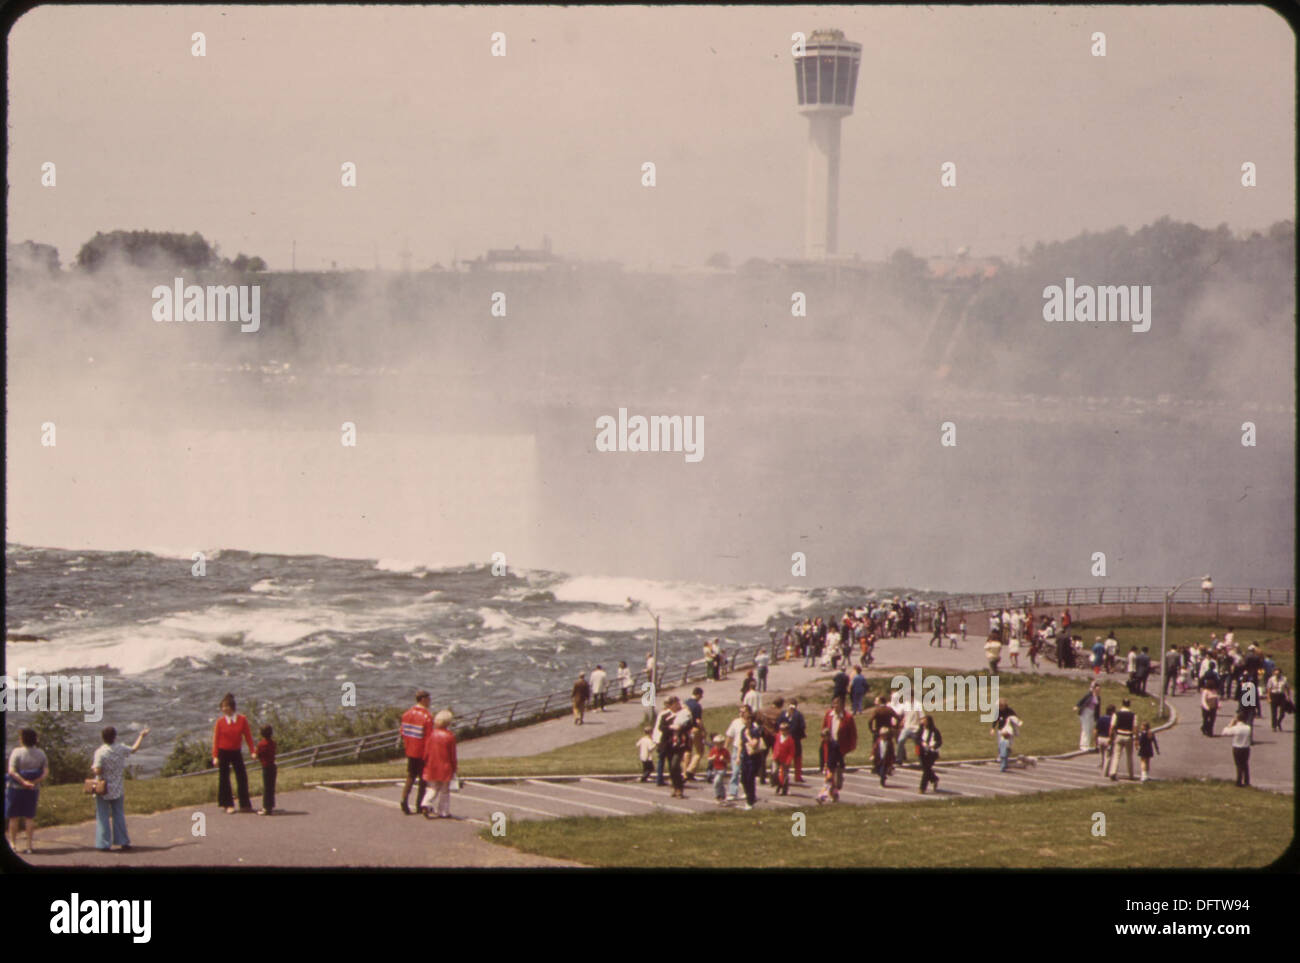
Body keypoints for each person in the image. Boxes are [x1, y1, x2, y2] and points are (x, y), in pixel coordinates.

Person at [92, 725, 149, 851]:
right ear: (115, 737)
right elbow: (134, 749)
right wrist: (141, 736)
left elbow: (97, 770)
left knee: (103, 816)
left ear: (103, 738)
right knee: (118, 814)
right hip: (117, 786)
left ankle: (104, 843)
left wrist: (95, 769)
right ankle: (123, 841)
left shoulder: (100, 752)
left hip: (103, 788)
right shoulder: (120, 748)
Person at [6, 728, 48, 854]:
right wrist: (34, 782)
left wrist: (23, 782)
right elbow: (46, 771)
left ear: (22, 739)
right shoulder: (41, 753)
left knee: (14, 817)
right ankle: (29, 845)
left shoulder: (17, 752)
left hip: (16, 789)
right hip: (32, 790)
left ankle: (13, 844)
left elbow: (12, 771)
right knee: (29, 817)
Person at [212, 693, 255, 814]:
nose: (224, 709)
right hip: (223, 752)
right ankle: (227, 804)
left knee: (242, 777)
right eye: (223, 707)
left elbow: (248, 736)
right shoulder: (220, 722)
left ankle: (245, 804)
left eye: (226, 706)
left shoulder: (242, 720)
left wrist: (252, 751)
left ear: (232, 707)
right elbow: (216, 740)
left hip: (236, 751)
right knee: (224, 778)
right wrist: (215, 756)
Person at [399, 689, 434, 815]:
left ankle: (404, 798)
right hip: (422, 752)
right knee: (423, 779)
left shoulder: (406, 714)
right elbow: (429, 737)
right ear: (423, 699)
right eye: (429, 699)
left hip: (410, 750)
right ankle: (420, 804)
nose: (430, 701)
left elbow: (402, 732)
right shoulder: (427, 717)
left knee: (410, 775)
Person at [420, 710, 458, 818]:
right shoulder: (450, 736)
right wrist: (454, 767)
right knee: (445, 791)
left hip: (432, 765)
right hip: (445, 767)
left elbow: (426, 752)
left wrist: (425, 762)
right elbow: (452, 755)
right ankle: (443, 811)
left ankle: (425, 803)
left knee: (433, 788)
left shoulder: (431, 735)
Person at [822, 696, 858, 796]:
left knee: (837, 770)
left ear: (842, 705)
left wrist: (851, 747)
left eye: (838, 704)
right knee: (829, 769)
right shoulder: (829, 714)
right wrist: (824, 740)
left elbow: (853, 734)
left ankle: (836, 785)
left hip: (840, 748)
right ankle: (832, 792)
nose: (836, 706)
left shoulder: (848, 717)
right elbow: (824, 728)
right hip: (829, 746)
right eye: (834, 704)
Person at [739, 704, 765, 810]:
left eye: (745, 718)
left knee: (750, 779)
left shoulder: (755, 730)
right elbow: (741, 744)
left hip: (754, 758)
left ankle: (750, 801)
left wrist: (748, 736)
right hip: (745, 757)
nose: (743, 720)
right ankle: (750, 796)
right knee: (743, 779)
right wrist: (738, 757)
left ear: (749, 720)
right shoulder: (743, 730)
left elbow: (754, 744)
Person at [1108, 698, 1137, 781]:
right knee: (1129, 756)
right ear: (1129, 704)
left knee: (1116, 755)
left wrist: (1110, 737)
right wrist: (1136, 739)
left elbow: (1112, 726)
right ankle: (1131, 774)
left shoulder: (1116, 714)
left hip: (1119, 735)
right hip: (1128, 736)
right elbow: (1135, 728)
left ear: (1122, 704)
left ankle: (1113, 772)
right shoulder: (1133, 715)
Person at [781, 697, 808, 784]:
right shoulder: (785, 715)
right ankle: (787, 776)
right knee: (789, 759)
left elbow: (802, 726)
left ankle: (796, 776)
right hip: (790, 739)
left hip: (794, 740)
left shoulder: (797, 715)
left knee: (796, 758)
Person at [1222, 712, 1253, 787]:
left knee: (1238, 765)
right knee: (1245, 764)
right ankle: (1246, 781)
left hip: (1237, 747)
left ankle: (1239, 781)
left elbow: (1224, 732)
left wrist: (1231, 724)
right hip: (1246, 748)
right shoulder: (1248, 728)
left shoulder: (1236, 728)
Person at [683, 688, 706, 779]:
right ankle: (690, 770)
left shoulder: (685, 703)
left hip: (686, 730)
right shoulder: (697, 706)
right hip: (695, 729)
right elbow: (698, 720)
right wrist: (703, 730)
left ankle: (684, 772)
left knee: (688, 750)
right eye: (701, 695)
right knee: (699, 751)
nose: (701, 697)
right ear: (698, 694)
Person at [256, 725, 277, 815]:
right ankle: (270, 806)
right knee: (271, 788)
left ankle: (266, 808)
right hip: (273, 766)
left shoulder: (261, 744)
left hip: (266, 767)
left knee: (266, 788)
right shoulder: (273, 743)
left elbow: (257, 755)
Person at [917, 715, 942, 793]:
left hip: (932, 753)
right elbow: (917, 739)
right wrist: (922, 743)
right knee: (925, 769)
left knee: (926, 770)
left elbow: (939, 742)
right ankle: (934, 779)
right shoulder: (921, 730)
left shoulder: (935, 731)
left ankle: (922, 788)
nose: (923, 723)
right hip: (922, 752)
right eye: (923, 721)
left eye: (925, 721)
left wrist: (933, 746)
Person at [771, 721, 796, 795]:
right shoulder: (778, 736)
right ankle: (778, 785)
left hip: (784, 759)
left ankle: (784, 788)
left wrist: (788, 761)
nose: (782, 731)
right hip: (776, 757)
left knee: (784, 775)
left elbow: (792, 752)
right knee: (774, 772)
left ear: (787, 730)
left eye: (783, 729)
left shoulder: (790, 740)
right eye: (781, 729)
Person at [1076, 681, 1101, 751]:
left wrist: (1097, 718)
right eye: (1097, 689)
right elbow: (1081, 701)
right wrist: (1077, 706)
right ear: (1094, 689)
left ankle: (1087, 744)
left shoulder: (1098, 698)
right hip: (1086, 713)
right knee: (1085, 728)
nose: (1098, 691)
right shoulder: (1089, 695)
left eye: (1099, 690)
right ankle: (1083, 745)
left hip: (1092, 714)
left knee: (1090, 729)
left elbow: (1098, 708)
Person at [708, 735, 730, 804]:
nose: (718, 745)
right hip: (715, 768)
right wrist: (712, 758)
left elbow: (728, 761)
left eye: (720, 743)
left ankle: (717, 795)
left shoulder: (725, 751)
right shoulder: (713, 750)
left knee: (716, 782)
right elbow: (709, 758)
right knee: (720, 783)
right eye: (716, 744)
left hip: (722, 769)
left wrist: (724, 759)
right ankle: (722, 796)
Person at [1095, 704, 1115, 774]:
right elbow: (1112, 731)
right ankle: (1105, 772)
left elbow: (1095, 730)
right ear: (1112, 712)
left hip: (1100, 738)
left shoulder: (1101, 718)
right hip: (1108, 739)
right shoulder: (1113, 720)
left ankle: (1102, 767)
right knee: (1108, 756)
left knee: (1102, 755)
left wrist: (1096, 739)